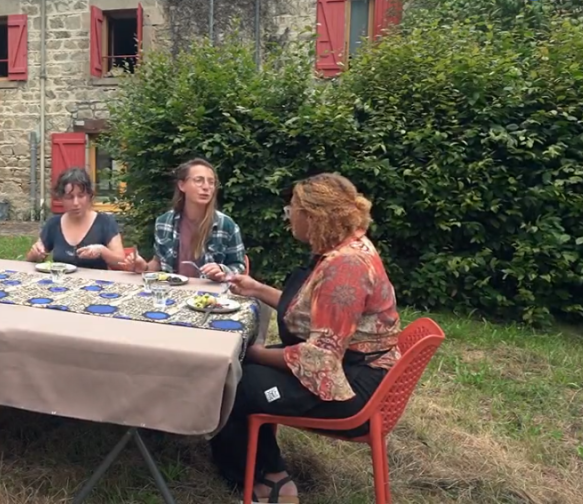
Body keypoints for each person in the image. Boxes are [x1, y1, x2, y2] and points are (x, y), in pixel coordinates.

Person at [208, 173, 402, 504]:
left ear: (313, 217)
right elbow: (312, 310)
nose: (289, 218)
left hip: (353, 390)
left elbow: (319, 359)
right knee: (246, 371)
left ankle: (264, 479)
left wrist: (250, 353)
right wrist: (256, 288)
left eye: (291, 210)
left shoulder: (346, 266)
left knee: (235, 380)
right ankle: (267, 465)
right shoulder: (344, 250)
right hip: (351, 368)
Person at [125, 158, 246, 280]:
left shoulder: (226, 224)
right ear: (182, 185)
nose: (206, 187)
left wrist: (221, 270)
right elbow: (158, 262)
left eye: (211, 182)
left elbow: (239, 266)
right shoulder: (164, 222)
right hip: (174, 292)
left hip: (210, 295)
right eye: (199, 180)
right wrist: (144, 267)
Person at [26, 167, 126, 270]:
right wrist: (35, 254)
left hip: (96, 285)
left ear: (89, 196)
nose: (75, 203)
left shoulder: (105, 223)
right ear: (61, 199)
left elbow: (121, 262)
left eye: (81, 196)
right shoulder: (53, 224)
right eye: (69, 197)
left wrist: (102, 251)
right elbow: (31, 261)